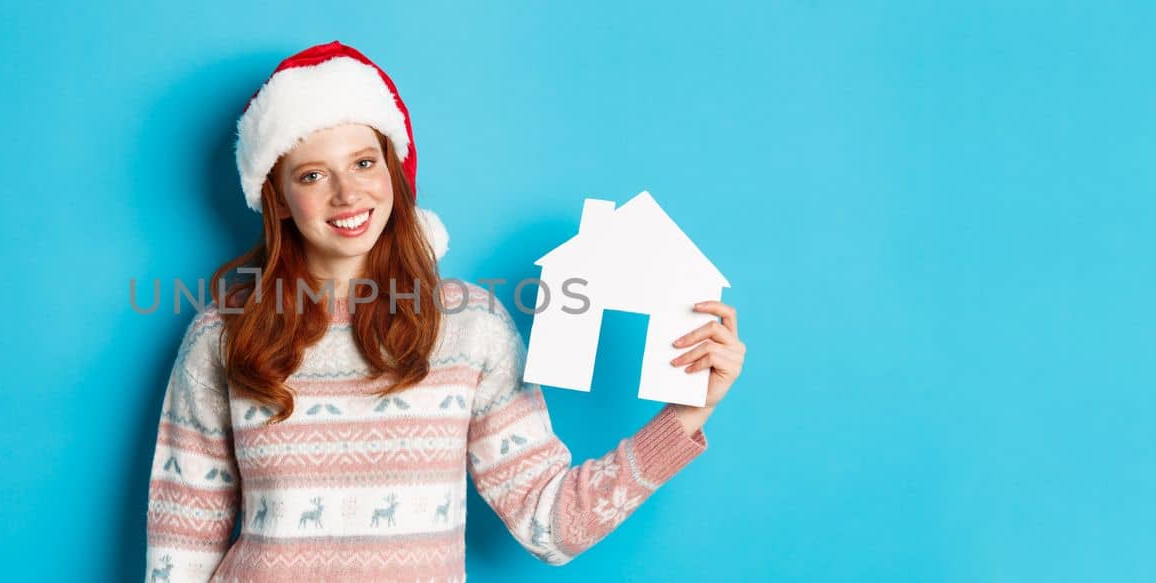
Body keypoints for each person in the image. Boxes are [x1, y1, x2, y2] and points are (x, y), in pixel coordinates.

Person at [144, 40, 747, 582]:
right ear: (275, 198)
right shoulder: (224, 335)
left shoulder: (470, 327)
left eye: (363, 162)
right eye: (312, 174)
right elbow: (181, 544)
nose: (348, 194)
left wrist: (688, 415)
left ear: (393, 171)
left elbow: (548, 524)